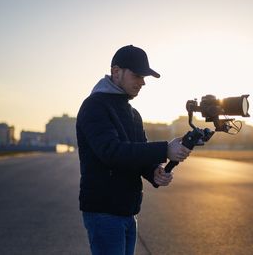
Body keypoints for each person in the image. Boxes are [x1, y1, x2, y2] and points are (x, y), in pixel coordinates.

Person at [76, 45, 191, 255]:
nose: (143, 82)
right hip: (103, 213)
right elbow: (111, 152)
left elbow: (137, 154)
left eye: (144, 76)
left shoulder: (133, 113)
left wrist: (154, 172)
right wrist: (165, 149)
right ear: (116, 71)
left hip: (128, 212)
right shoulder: (94, 106)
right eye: (137, 75)